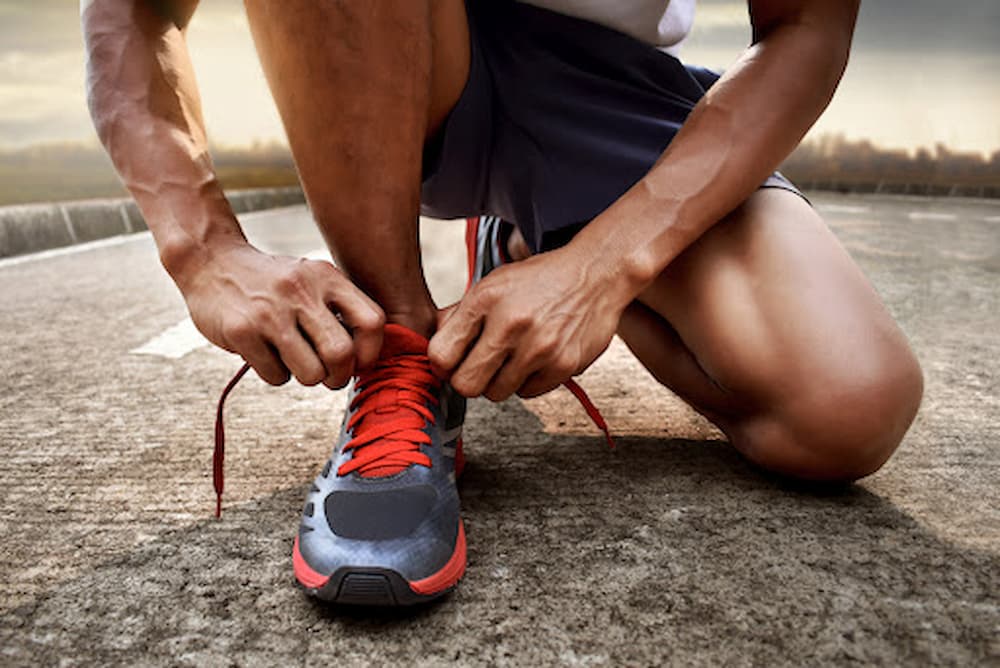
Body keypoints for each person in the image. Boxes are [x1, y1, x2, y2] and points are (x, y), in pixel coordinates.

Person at [82, 0, 923, 606]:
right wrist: (202, 250)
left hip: (608, 82)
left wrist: (602, 267)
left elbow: (807, 26)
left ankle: (531, 240)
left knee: (847, 408)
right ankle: (404, 354)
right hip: (382, 47)